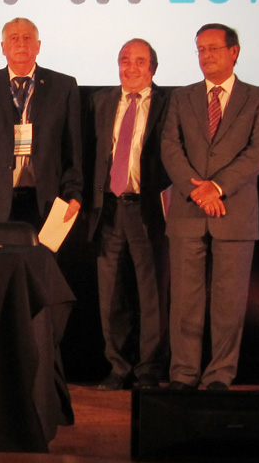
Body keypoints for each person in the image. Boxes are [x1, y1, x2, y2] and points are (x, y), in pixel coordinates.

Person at [160, 23, 259, 391]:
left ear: (233, 52)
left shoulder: (258, 98)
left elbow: (258, 153)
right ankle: (183, 373)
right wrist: (197, 191)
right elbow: (170, 148)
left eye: (213, 48)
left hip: (234, 210)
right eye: (200, 49)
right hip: (188, 209)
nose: (205, 56)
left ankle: (220, 374)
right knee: (184, 301)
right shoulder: (182, 97)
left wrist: (217, 187)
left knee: (229, 302)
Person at [87, 38, 171, 390]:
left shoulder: (170, 103)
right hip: (108, 209)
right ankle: (118, 367)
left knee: (152, 294)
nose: (131, 67)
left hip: (147, 209)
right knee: (110, 294)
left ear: (152, 67)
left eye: (139, 61)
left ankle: (149, 368)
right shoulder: (101, 101)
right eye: (124, 59)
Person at [0, 17, 82, 229]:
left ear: (38, 46)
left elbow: (73, 147)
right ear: (3, 47)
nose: (21, 43)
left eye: (27, 38)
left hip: (47, 199)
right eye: (14, 38)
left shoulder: (63, 86)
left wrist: (73, 192)